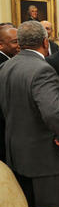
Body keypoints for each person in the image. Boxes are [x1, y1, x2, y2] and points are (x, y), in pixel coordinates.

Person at [0, 21, 59, 207]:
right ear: (46, 42)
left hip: (17, 152)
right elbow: (53, 113)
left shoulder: (6, 67)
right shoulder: (42, 70)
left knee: (28, 206)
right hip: (46, 158)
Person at [0, 26, 20, 162]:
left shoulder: (10, 60)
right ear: (1, 45)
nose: (19, 45)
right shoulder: (3, 64)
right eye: (14, 42)